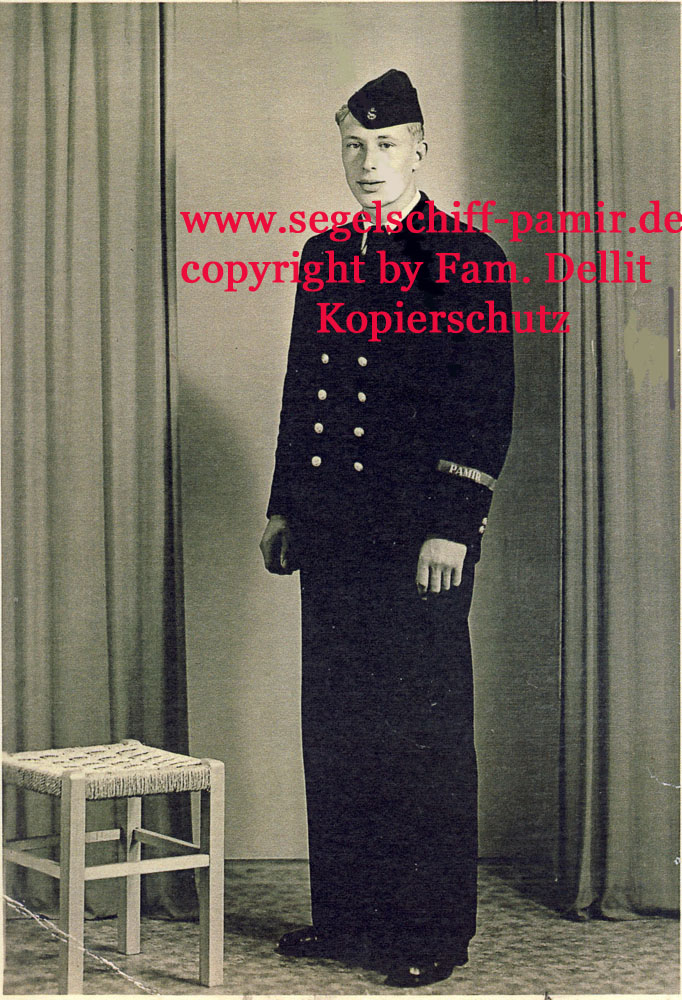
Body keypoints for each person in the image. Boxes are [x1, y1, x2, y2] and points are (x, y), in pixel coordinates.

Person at [260, 68, 514, 988]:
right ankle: (350, 918)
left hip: (417, 539)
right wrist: (285, 502)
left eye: (386, 146)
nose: (369, 163)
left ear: (420, 150)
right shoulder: (323, 254)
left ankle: (430, 932)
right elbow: (304, 388)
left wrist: (455, 523)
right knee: (338, 725)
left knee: (420, 733)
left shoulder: (468, 255)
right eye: (354, 147)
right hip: (334, 528)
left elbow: (484, 401)